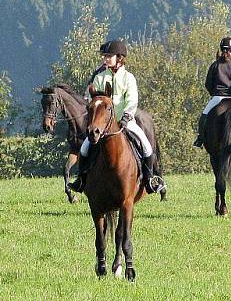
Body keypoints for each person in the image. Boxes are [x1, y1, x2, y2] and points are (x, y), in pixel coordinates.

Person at [69, 40, 165, 194]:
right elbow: (91, 98)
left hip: (125, 121)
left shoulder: (128, 78)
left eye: (108, 56)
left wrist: (127, 116)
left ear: (119, 58)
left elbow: (132, 100)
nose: (105, 59)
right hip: (103, 125)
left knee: (146, 147)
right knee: (84, 149)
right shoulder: (100, 78)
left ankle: (149, 180)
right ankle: (81, 180)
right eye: (104, 56)